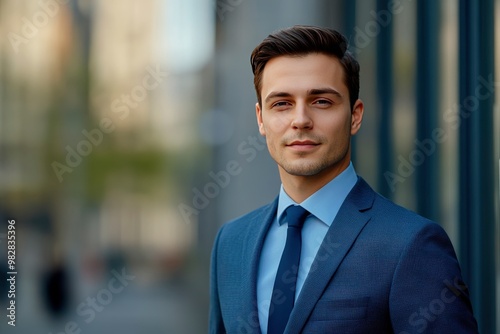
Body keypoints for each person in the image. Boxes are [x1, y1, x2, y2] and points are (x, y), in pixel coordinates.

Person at [209, 25, 478, 334]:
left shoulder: (411, 245)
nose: (300, 120)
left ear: (355, 115)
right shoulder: (230, 243)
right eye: (281, 103)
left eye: (322, 101)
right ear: (261, 118)